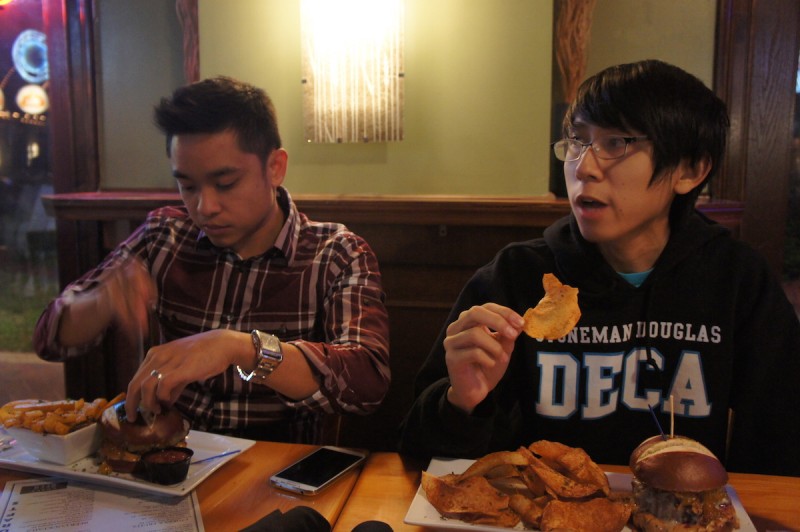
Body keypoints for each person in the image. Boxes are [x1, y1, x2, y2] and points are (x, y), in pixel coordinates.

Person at [397, 59, 800, 475]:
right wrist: (461, 402)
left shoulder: (737, 281)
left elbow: (781, 448)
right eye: (577, 141)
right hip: (545, 505)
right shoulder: (516, 276)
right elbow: (419, 453)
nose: (583, 167)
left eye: (615, 143)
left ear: (691, 169)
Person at [34, 76, 390, 443]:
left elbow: (367, 382)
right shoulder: (163, 237)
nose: (205, 207)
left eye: (225, 183)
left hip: (279, 465)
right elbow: (48, 339)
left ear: (275, 167)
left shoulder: (336, 254)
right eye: (188, 186)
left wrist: (241, 348)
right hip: (171, 459)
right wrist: (99, 302)